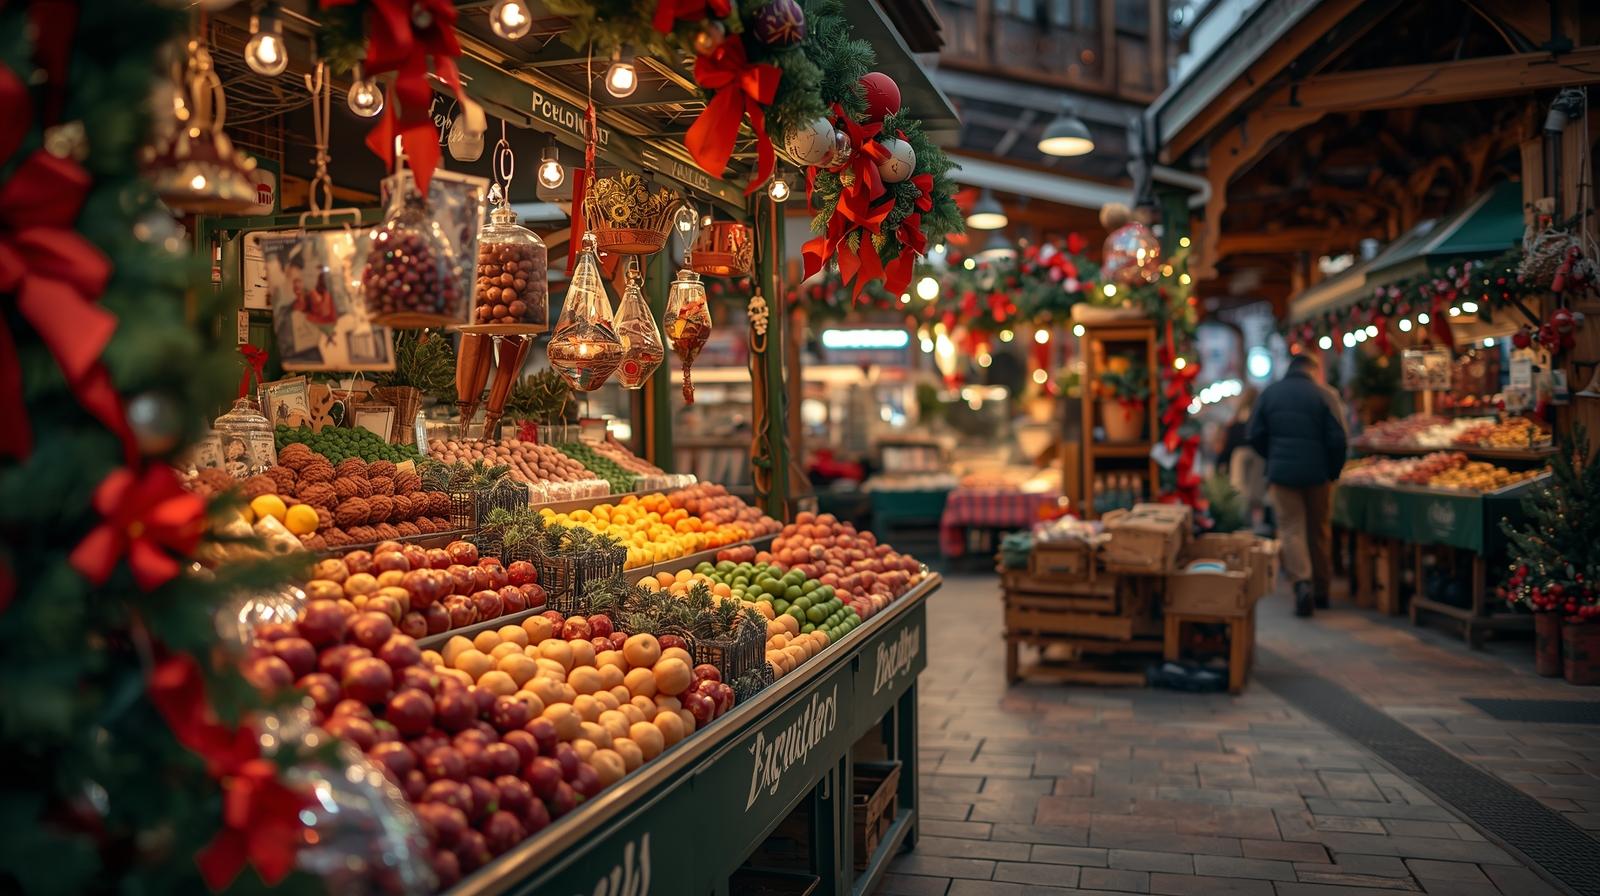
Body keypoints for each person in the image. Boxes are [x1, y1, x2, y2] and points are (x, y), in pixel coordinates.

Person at [1248, 353, 1347, 617]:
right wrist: (1333, 471)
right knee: (1319, 529)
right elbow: (1338, 439)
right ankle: (1322, 590)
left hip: (1282, 474)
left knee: (1291, 529)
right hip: (1318, 473)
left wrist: (1273, 455)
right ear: (1312, 370)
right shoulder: (1325, 395)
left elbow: (1254, 434)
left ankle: (1302, 583)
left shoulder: (1270, 394)